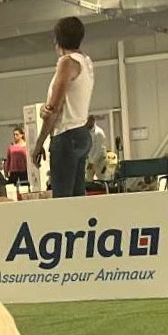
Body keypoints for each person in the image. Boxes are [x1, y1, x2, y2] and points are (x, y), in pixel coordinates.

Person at [31, 16, 95, 198]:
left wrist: (39, 144)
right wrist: (46, 108)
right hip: (81, 133)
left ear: (57, 39)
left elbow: (54, 109)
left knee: (62, 199)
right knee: (77, 197)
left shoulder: (66, 62)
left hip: (66, 136)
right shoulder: (86, 61)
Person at [85, 115, 109, 181]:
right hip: (90, 160)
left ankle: (104, 187)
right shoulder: (87, 132)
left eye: (88, 122)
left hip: (100, 161)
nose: (86, 123)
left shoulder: (99, 133)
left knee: (102, 179)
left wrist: (92, 162)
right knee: (88, 180)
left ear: (92, 122)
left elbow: (99, 150)